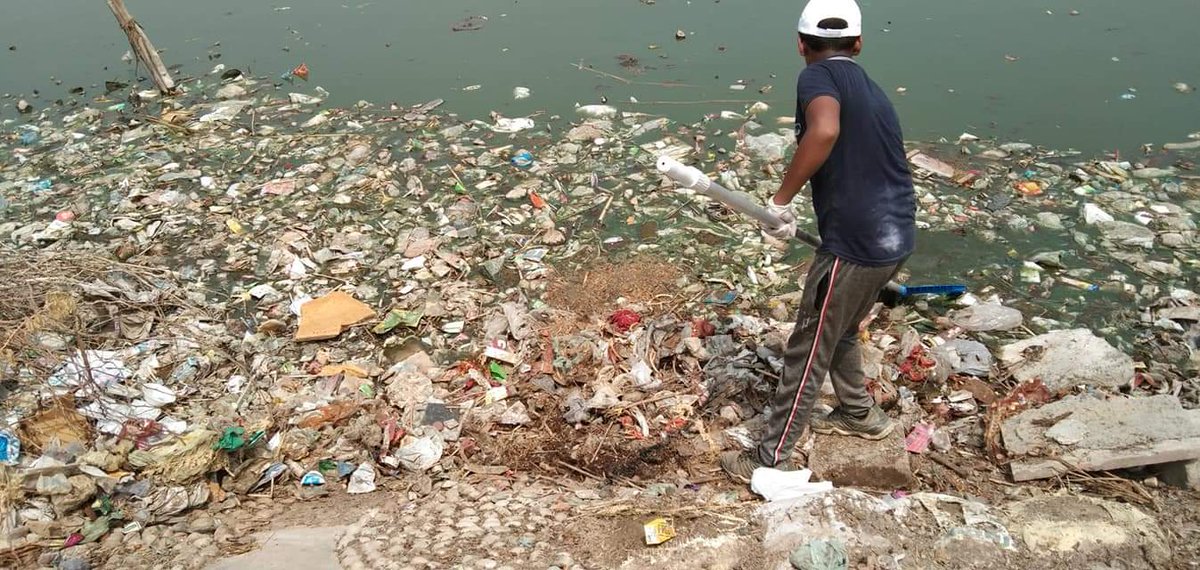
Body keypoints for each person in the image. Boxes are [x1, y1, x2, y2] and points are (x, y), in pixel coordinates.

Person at [720, 0, 917, 482]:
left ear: (801, 43)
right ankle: (859, 414)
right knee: (842, 328)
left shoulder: (817, 77)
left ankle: (768, 457)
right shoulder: (868, 87)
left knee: (808, 345)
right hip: (896, 234)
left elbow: (824, 129)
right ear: (858, 44)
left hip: (855, 243)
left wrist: (781, 199)